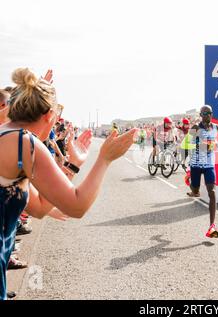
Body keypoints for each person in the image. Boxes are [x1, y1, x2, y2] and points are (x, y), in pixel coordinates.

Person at [0, 68, 137, 300]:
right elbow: (76, 206)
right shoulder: (25, 142)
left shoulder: (8, 134)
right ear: (49, 115)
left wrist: (72, 164)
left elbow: (40, 207)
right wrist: (104, 159)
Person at [187, 105, 218, 238]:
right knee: (195, 192)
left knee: (212, 192)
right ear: (201, 115)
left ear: (212, 114)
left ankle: (212, 227)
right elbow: (186, 145)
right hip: (196, 164)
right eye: (205, 113)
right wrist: (201, 145)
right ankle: (189, 181)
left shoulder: (216, 127)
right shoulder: (195, 128)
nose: (207, 115)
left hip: (209, 165)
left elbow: (214, 141)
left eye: (209, 113)